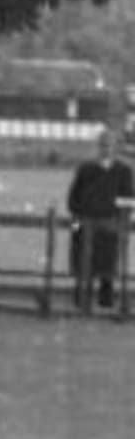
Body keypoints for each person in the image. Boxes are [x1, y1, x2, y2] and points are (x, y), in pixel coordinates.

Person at [66, 126, 133, 310]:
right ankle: (81, 299)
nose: (106, 149)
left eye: (109, 145)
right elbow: (74, 196)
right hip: (85, 222)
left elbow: (128, 198)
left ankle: (106, 300)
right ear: (98, 146)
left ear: (116, 147)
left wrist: (120, 217)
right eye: (103, 145)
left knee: (107, 261)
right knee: (82, 261)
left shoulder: (123, 171)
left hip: (109, 223)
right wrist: (78, 216)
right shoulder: (85, 168)